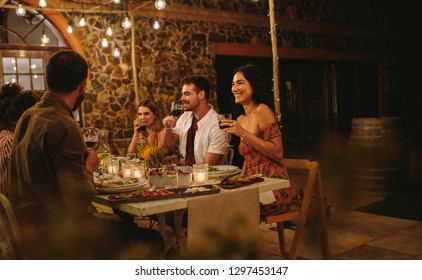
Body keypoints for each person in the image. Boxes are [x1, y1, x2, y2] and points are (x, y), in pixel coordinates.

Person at [8, 50, 164, 259]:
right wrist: (89, 166)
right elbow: (79, 196)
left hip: (28, 231)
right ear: (82, 85)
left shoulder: (28, 116)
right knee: (153, 240)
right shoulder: (63, 124)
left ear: (49, 79)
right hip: (59, 237)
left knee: (122, 222)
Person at [222, 64, 292, 219]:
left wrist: (244, 133)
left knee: (229, 210)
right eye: (233, 84)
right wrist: (239, 179)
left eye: (240, 83)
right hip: (253, 184)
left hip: (272, 185)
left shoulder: (262, 111)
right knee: (219, 200)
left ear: (253, 84)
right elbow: (248, 158)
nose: (235, 88)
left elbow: (278, 152)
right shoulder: (240, 119)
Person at [160, 75, 228, 166]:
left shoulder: (218, 124)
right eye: (182, 94)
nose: (182, 98)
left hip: (210, 178)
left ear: (201, 95)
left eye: (187, 94)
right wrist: (168, 128)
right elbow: (165, 146)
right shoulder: (185, 116)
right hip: (185, 175)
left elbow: (209, 167)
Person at [0, 83, 39, 196]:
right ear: (14, 119)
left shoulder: (4, 137)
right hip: (16, 211)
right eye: (30, 116)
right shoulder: (12, 143)